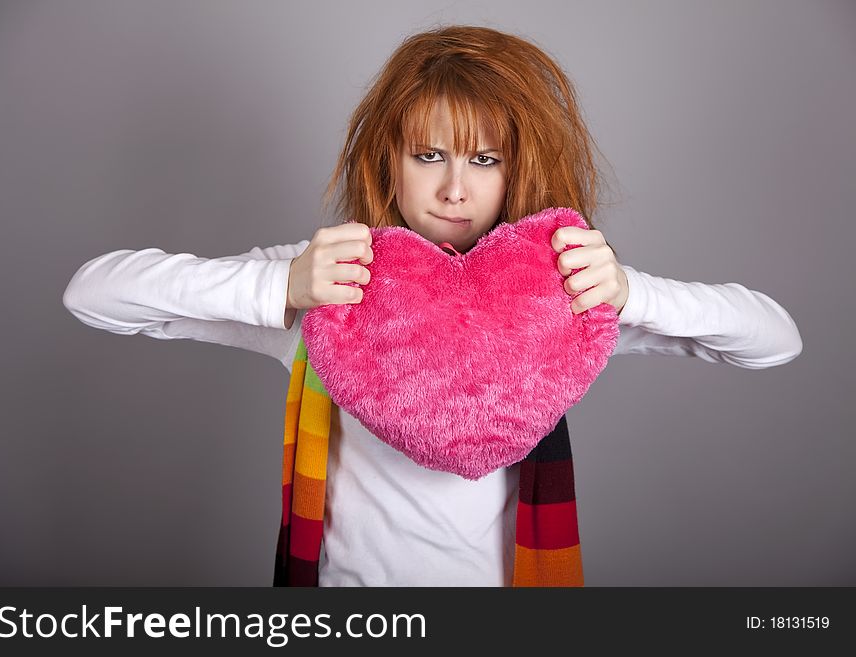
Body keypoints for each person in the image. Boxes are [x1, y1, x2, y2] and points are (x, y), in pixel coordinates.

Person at [62, 25, 802, 586]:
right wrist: (283, 287)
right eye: (429, 155)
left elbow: (774, 338)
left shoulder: (564, 295)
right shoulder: (332, 286)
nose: (455, 188)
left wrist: (630, 291)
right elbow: (94, 293)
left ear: (521, 166)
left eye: (485, 159)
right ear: (388, 158)